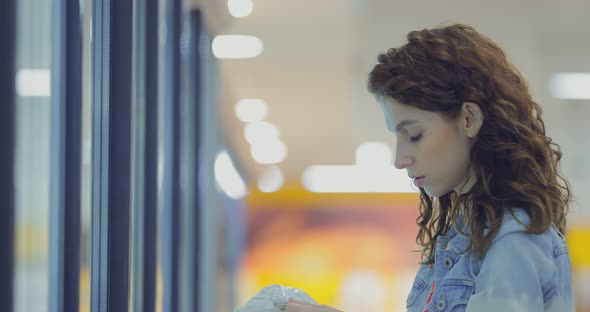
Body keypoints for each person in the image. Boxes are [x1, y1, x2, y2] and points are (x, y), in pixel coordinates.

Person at [285, 23, 574, 312]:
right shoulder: (462, 238)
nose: (400, 159)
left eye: (414, 135)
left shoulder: (512, 241)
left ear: (469, 119)